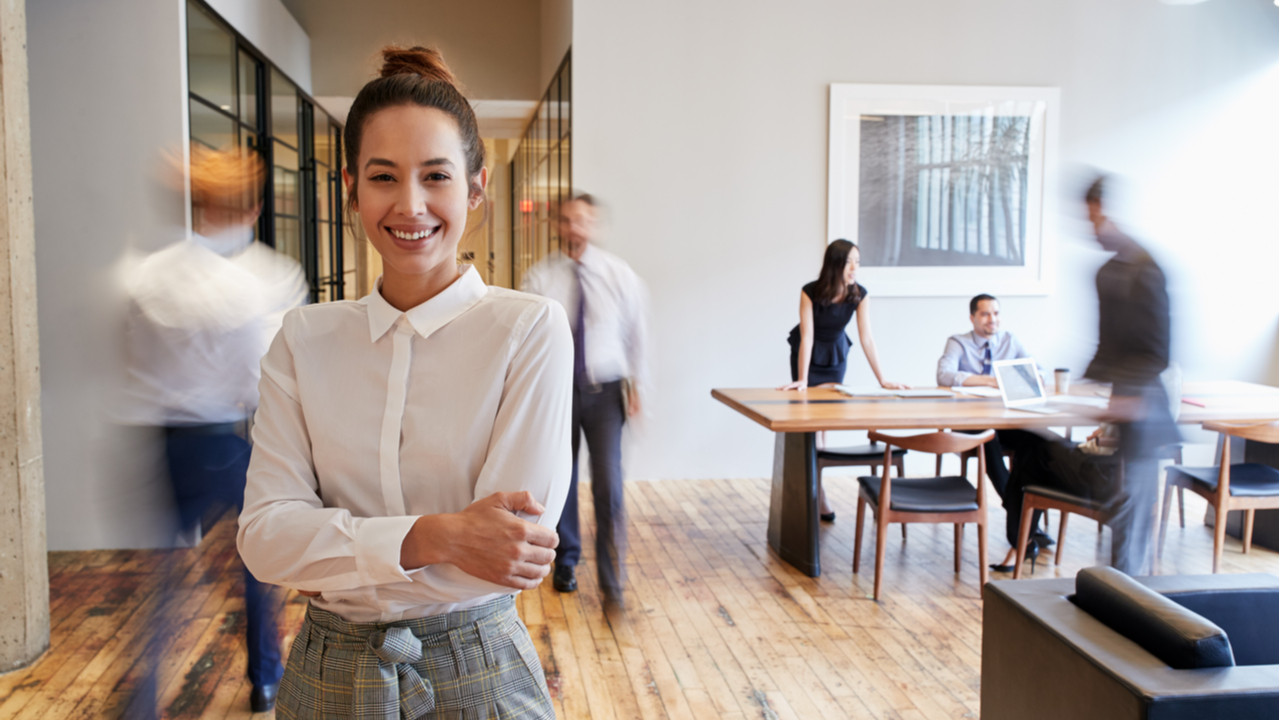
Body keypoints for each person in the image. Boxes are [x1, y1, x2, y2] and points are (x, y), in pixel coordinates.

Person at [237, 46, 572, 718]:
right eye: (384, 176)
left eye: (436, 176)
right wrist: (442, 535)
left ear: (476, 187)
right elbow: (266, 541)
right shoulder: (304, 340)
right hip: (327, 674)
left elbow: (509, 552)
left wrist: (334, 548)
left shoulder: (528, 329)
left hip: (479, 667)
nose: (410, 204)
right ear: (351, 188)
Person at [120, 144, 304, 715]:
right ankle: (266, 680)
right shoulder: (268, 281)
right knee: (256, 566)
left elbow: (132, 361)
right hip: (228, 440)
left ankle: (143, 698)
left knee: (164, 581)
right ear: (251, 209)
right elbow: (266, 375)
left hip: (164, 442)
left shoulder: (145, 275)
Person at [521, 193, 648, 611]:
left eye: (583, 220)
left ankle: (612, 580)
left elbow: (636, 334)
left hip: (607, 391)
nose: (575, 227)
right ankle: (567, 562)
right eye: (568, 220)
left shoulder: (618, 275)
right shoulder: (540, 278)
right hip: (559, 393)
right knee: (563, 480)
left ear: (594, 226)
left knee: (610, 485)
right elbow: (527, 339)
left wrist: (638, 387)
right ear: (557, 225)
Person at [1081, 175, 1177, 575]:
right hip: (1121, 403)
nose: (1093, 230)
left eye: (1096, 219)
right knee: (1119, 506)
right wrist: (1088, 387)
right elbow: (1107, 345)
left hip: (1146, 408)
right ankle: (1116, 593)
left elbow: (1159, 351)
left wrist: (1130, 398)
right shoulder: (1105, 274)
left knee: (1133, 509)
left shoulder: (1147, 270)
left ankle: (1128, 598)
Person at [779, 239, 904, 520]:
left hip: (835, 355)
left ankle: (817, 489)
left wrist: (883, 380)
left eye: (858, 262)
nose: (855, 268)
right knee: (810, 426)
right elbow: (807, 336)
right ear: (836, 264)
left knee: (823, 423)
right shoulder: (810, 291)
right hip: (807, 355)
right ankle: (817, 492)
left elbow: (867, 338)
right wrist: (801, 379)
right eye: (850, 262)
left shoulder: (859, 294)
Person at [936, 294, 1054, 557]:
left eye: (996, 313)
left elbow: (1039, 371)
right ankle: (1019, 512)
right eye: (986, 314)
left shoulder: (1010, 341)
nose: (993, 320)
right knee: (988, 440)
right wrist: (990, 380)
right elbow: (944, 375)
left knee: (1040, 442)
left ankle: (1026, 515)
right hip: (970, 422)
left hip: (1006, 419)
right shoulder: (959, 342)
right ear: (973, 317)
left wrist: (1028, 376)